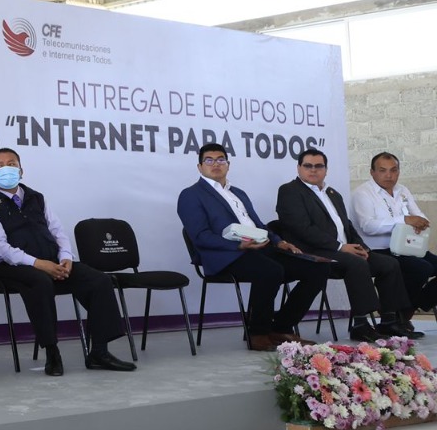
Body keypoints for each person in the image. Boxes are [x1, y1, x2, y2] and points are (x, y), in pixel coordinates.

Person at [0, 148, 136, 374]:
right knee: (40, 282)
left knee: (99, 281)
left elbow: (58, 231)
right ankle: (52, 352)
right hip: (12, 267)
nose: (6, 169)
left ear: (21, 170)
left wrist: (66, 258)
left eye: (11, 164)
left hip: (51, 261)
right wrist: (38, 264)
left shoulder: (37, 198)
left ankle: (99, 352)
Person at [177, 143, 330, 351]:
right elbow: (200, 236)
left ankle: (281, 327)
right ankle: (258, 332)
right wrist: (238, 245)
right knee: (271, 270)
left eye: (221, 159)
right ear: (199, 167)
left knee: (318, 268)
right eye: (209, 160)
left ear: (228, 165)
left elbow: (258, 225)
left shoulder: (238, 193)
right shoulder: (191, 195)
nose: (216, 164)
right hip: (226, 255)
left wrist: (279, 241)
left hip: (258, 248)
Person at [275, 147, 411, 341]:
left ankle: (390, 321)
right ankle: (361, 324)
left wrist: (361, 247)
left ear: (326, 169)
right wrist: (340, 247)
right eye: (308, 166)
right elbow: (301, 229)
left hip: (343, 250)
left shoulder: (332, 193)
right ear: (299, 168)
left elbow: (347, 226)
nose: (313, 170)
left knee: (388, 264)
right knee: (356, 264)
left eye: (319, 166)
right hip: (313, 252)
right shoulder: (290, 191)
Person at [350, 151, 435, 337]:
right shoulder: (362, 193)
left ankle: (409, 309)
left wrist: (419, 222)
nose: (389, 175)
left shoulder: (402, 190)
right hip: (378, 250)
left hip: (406, 246)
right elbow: (368, 226)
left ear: (399, 171)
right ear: (372, 172)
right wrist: (404, 220)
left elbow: (420, 216)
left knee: (428, 265)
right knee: (421, 268)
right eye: (382, 170)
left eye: (393, 170)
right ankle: (397, 317)